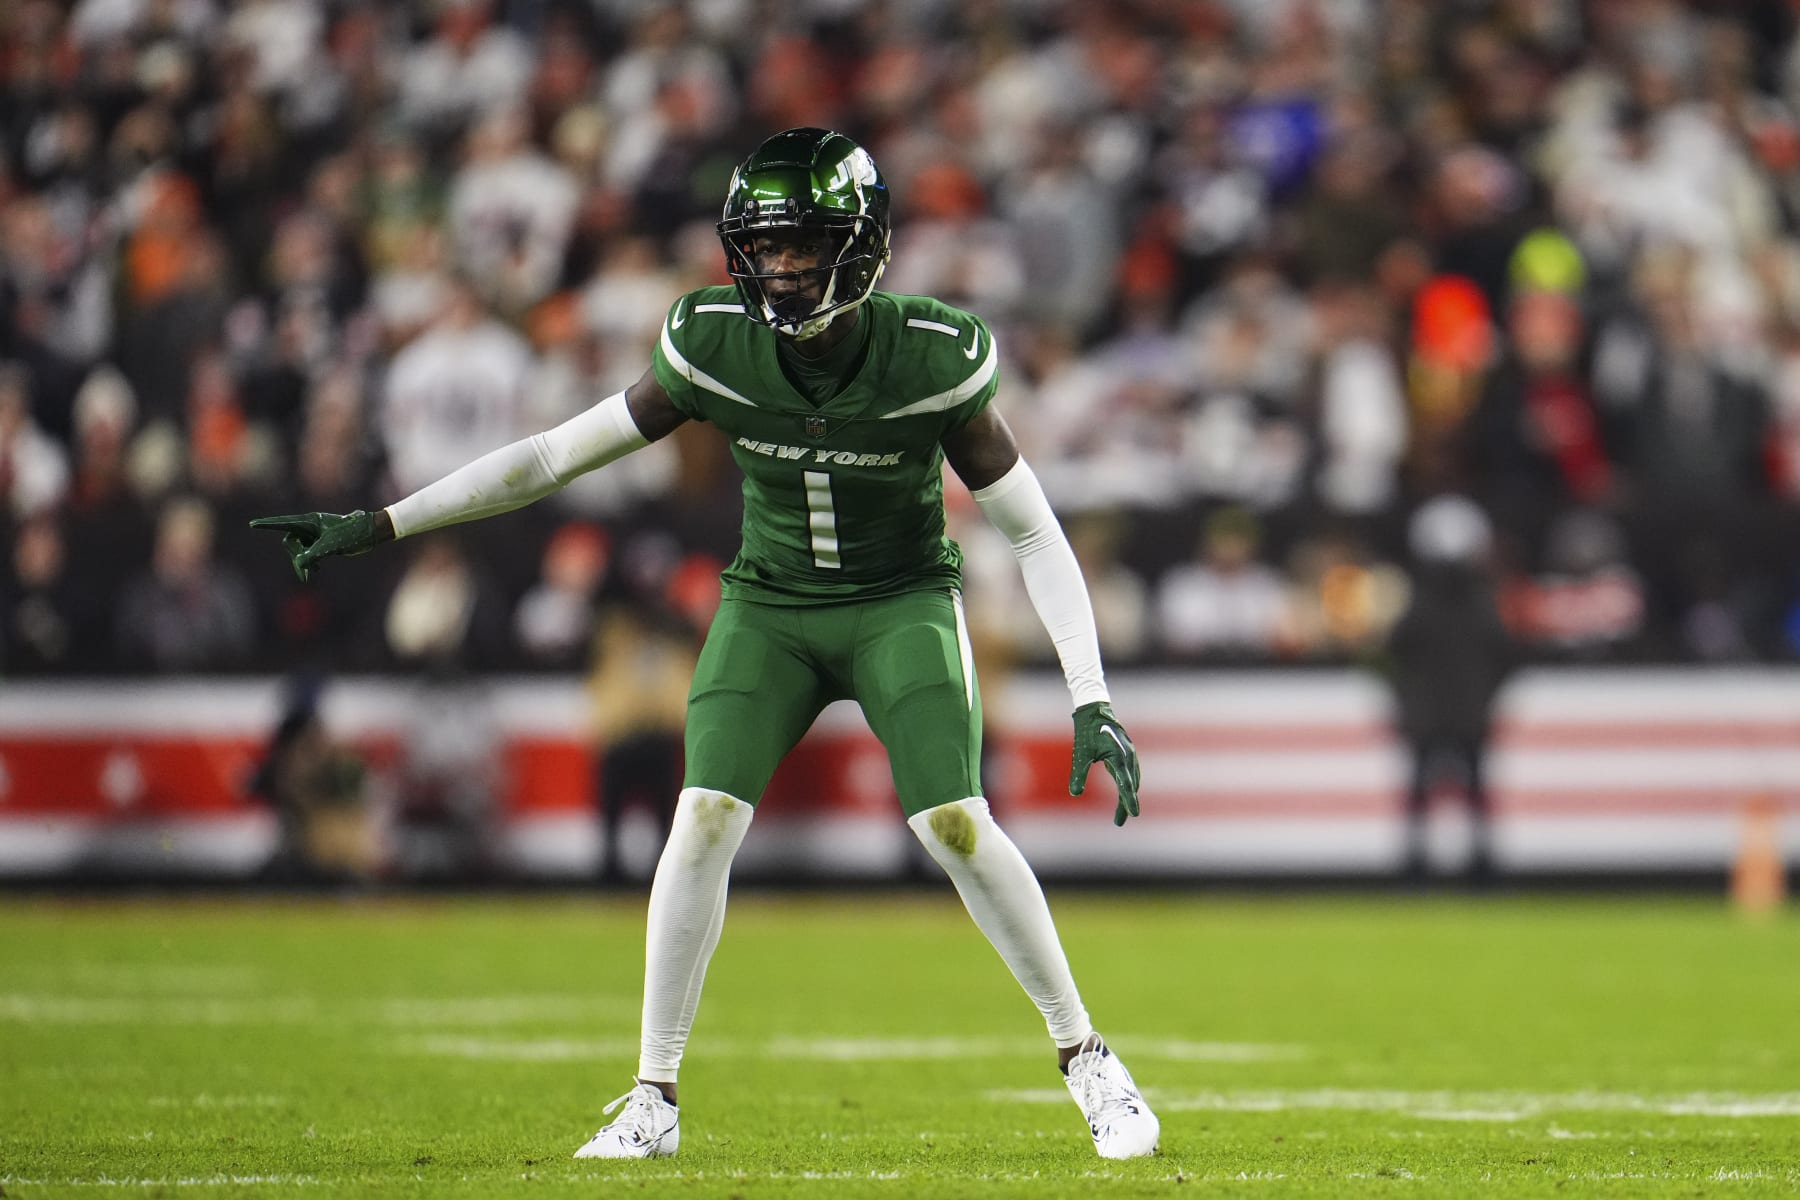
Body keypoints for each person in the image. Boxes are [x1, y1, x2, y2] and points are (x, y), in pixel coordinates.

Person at [250, 128, 1156, 1160]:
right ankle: (654, 1098)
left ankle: (1088, 1060)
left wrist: (1091, 694)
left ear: (860, 247)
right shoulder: (713, 342)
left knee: (952, 819)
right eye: (762, 247)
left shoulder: (931, 355)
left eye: (801, 245)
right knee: (702, 816)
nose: (778, 269)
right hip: (769, 604)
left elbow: (1032, 528)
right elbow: (553, 455)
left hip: (897, 599)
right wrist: (383, 523)